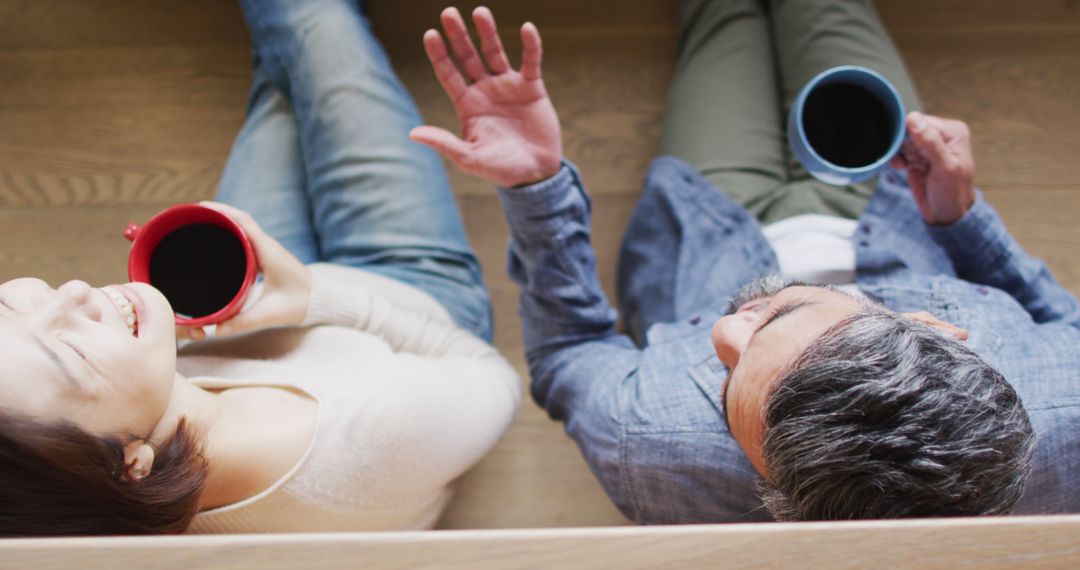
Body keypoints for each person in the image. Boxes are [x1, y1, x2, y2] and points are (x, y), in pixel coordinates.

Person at [414, 2, 1079, 522]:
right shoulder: (1065, 407)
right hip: (900, 193)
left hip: (708, 218)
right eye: (778, 319)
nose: (722, 332)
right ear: (936, 327)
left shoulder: (653, 447)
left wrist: (537, 187)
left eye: (728, 391)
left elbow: (569, 352)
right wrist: (961, 219)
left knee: (721, 18)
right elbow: (1060, 322)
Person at [0, 0, 520, 536]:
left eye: (11, 305)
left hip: (260, 304)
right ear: (129, 464)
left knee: (288, 69)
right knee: (310, 26)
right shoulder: (375, 435)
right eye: (70, 351)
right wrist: (314, 298)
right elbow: (493, 374)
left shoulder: (110, 465)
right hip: (418, 307)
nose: (76, 291)